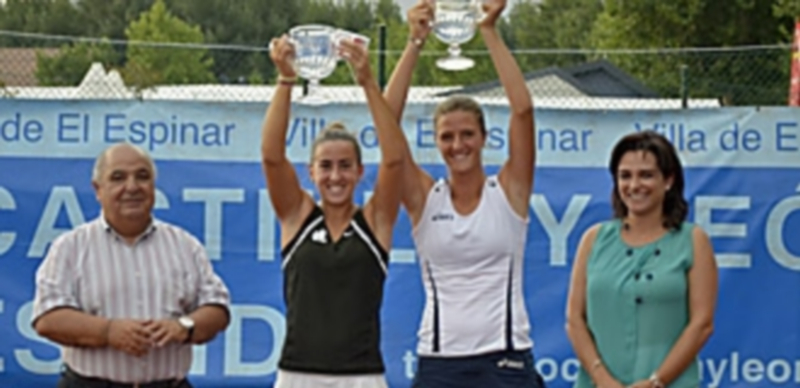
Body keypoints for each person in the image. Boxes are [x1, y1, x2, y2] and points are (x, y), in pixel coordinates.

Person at [382, 0, 545, 386]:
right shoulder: (424, 198)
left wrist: (490, 31)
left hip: (505, 359)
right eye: (448, 137)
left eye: (467, 134)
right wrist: (414, 43)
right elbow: (385, 120)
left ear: (484, 138)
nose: (459, 145)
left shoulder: (509, 193)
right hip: (440, 363)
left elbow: (523, 112)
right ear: (436, 142)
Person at [262, 33, 407, 388]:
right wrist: (285, 79)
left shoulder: (376, 221)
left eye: (345, 166)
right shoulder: (297, 216)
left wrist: (367, 81)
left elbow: (395, 159)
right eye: (325, 167)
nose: (335, 176)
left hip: (363, 377)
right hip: (298, 375)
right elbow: (271, 155)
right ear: (311, 173)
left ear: (360, 172)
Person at [32, 143, 231, 388]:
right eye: (118, 178)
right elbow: (48, 319)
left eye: (142, 176)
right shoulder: (70, 247)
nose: (132, 187)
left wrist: (184, 326)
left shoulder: (185, 245)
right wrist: (107, 332)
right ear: (98, 189)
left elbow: (217, 308)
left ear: (154, 187)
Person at [565, 130, 718, 388]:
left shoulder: (693, 241)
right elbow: (574, 319)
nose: (634, 185)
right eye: (625, 176)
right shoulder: (593, 239)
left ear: (668, 180)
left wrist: (657, 382)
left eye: (646, 175)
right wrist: (602, 379)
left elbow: (701, 324)